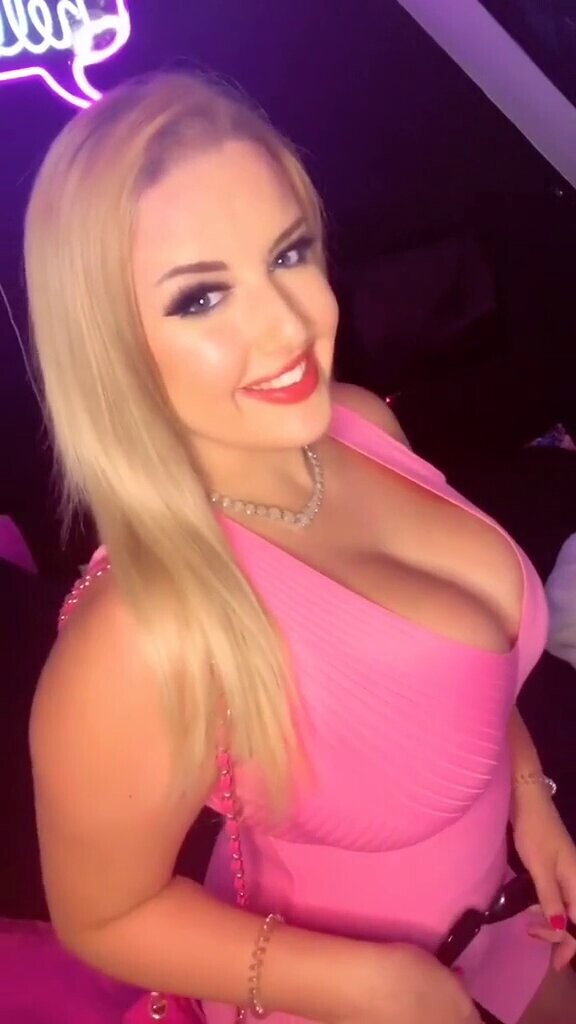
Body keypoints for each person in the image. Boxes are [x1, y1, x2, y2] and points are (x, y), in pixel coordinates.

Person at [25, 71, 576, 1024]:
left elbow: (464, 666)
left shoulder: (358, 423)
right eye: (201, 298)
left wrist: (532, 795)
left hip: (511, 921)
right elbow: (101, 913)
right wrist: (369, 984)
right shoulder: (133, 640)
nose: (290, 324)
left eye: (289, 252)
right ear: (109, 344)